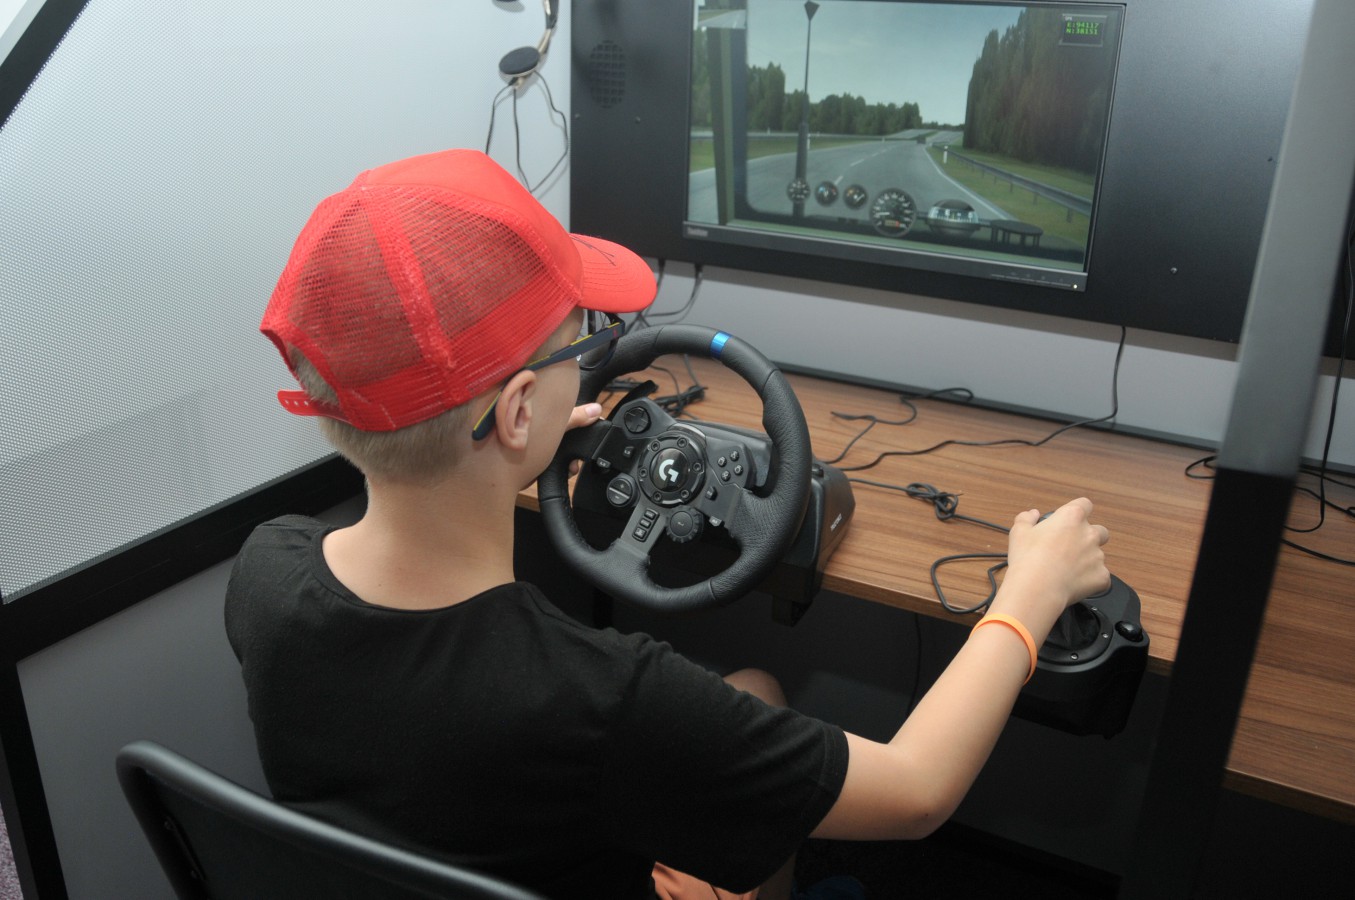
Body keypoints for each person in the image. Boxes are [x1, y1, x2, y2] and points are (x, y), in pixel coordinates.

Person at [225, 148, 1111, 900]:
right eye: (583, 345)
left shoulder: (265, 574)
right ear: (517, 409)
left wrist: (528, 442)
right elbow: (918, 791)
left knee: (755, 690)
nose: (591, 361)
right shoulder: (605, 701)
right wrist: (1031, 591)